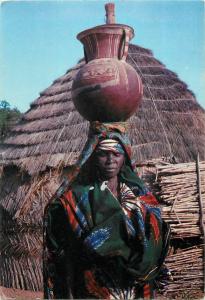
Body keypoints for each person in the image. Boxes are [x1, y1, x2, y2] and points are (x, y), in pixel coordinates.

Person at [43, 121, 170, 299]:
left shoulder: (142, 197)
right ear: (93, 157)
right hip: (93, 288)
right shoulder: (75, 199)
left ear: (124, 157)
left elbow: (153, 245)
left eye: (116, 154)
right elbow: (63, 255)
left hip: (136, 290)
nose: (110, 160)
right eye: (103, 154)